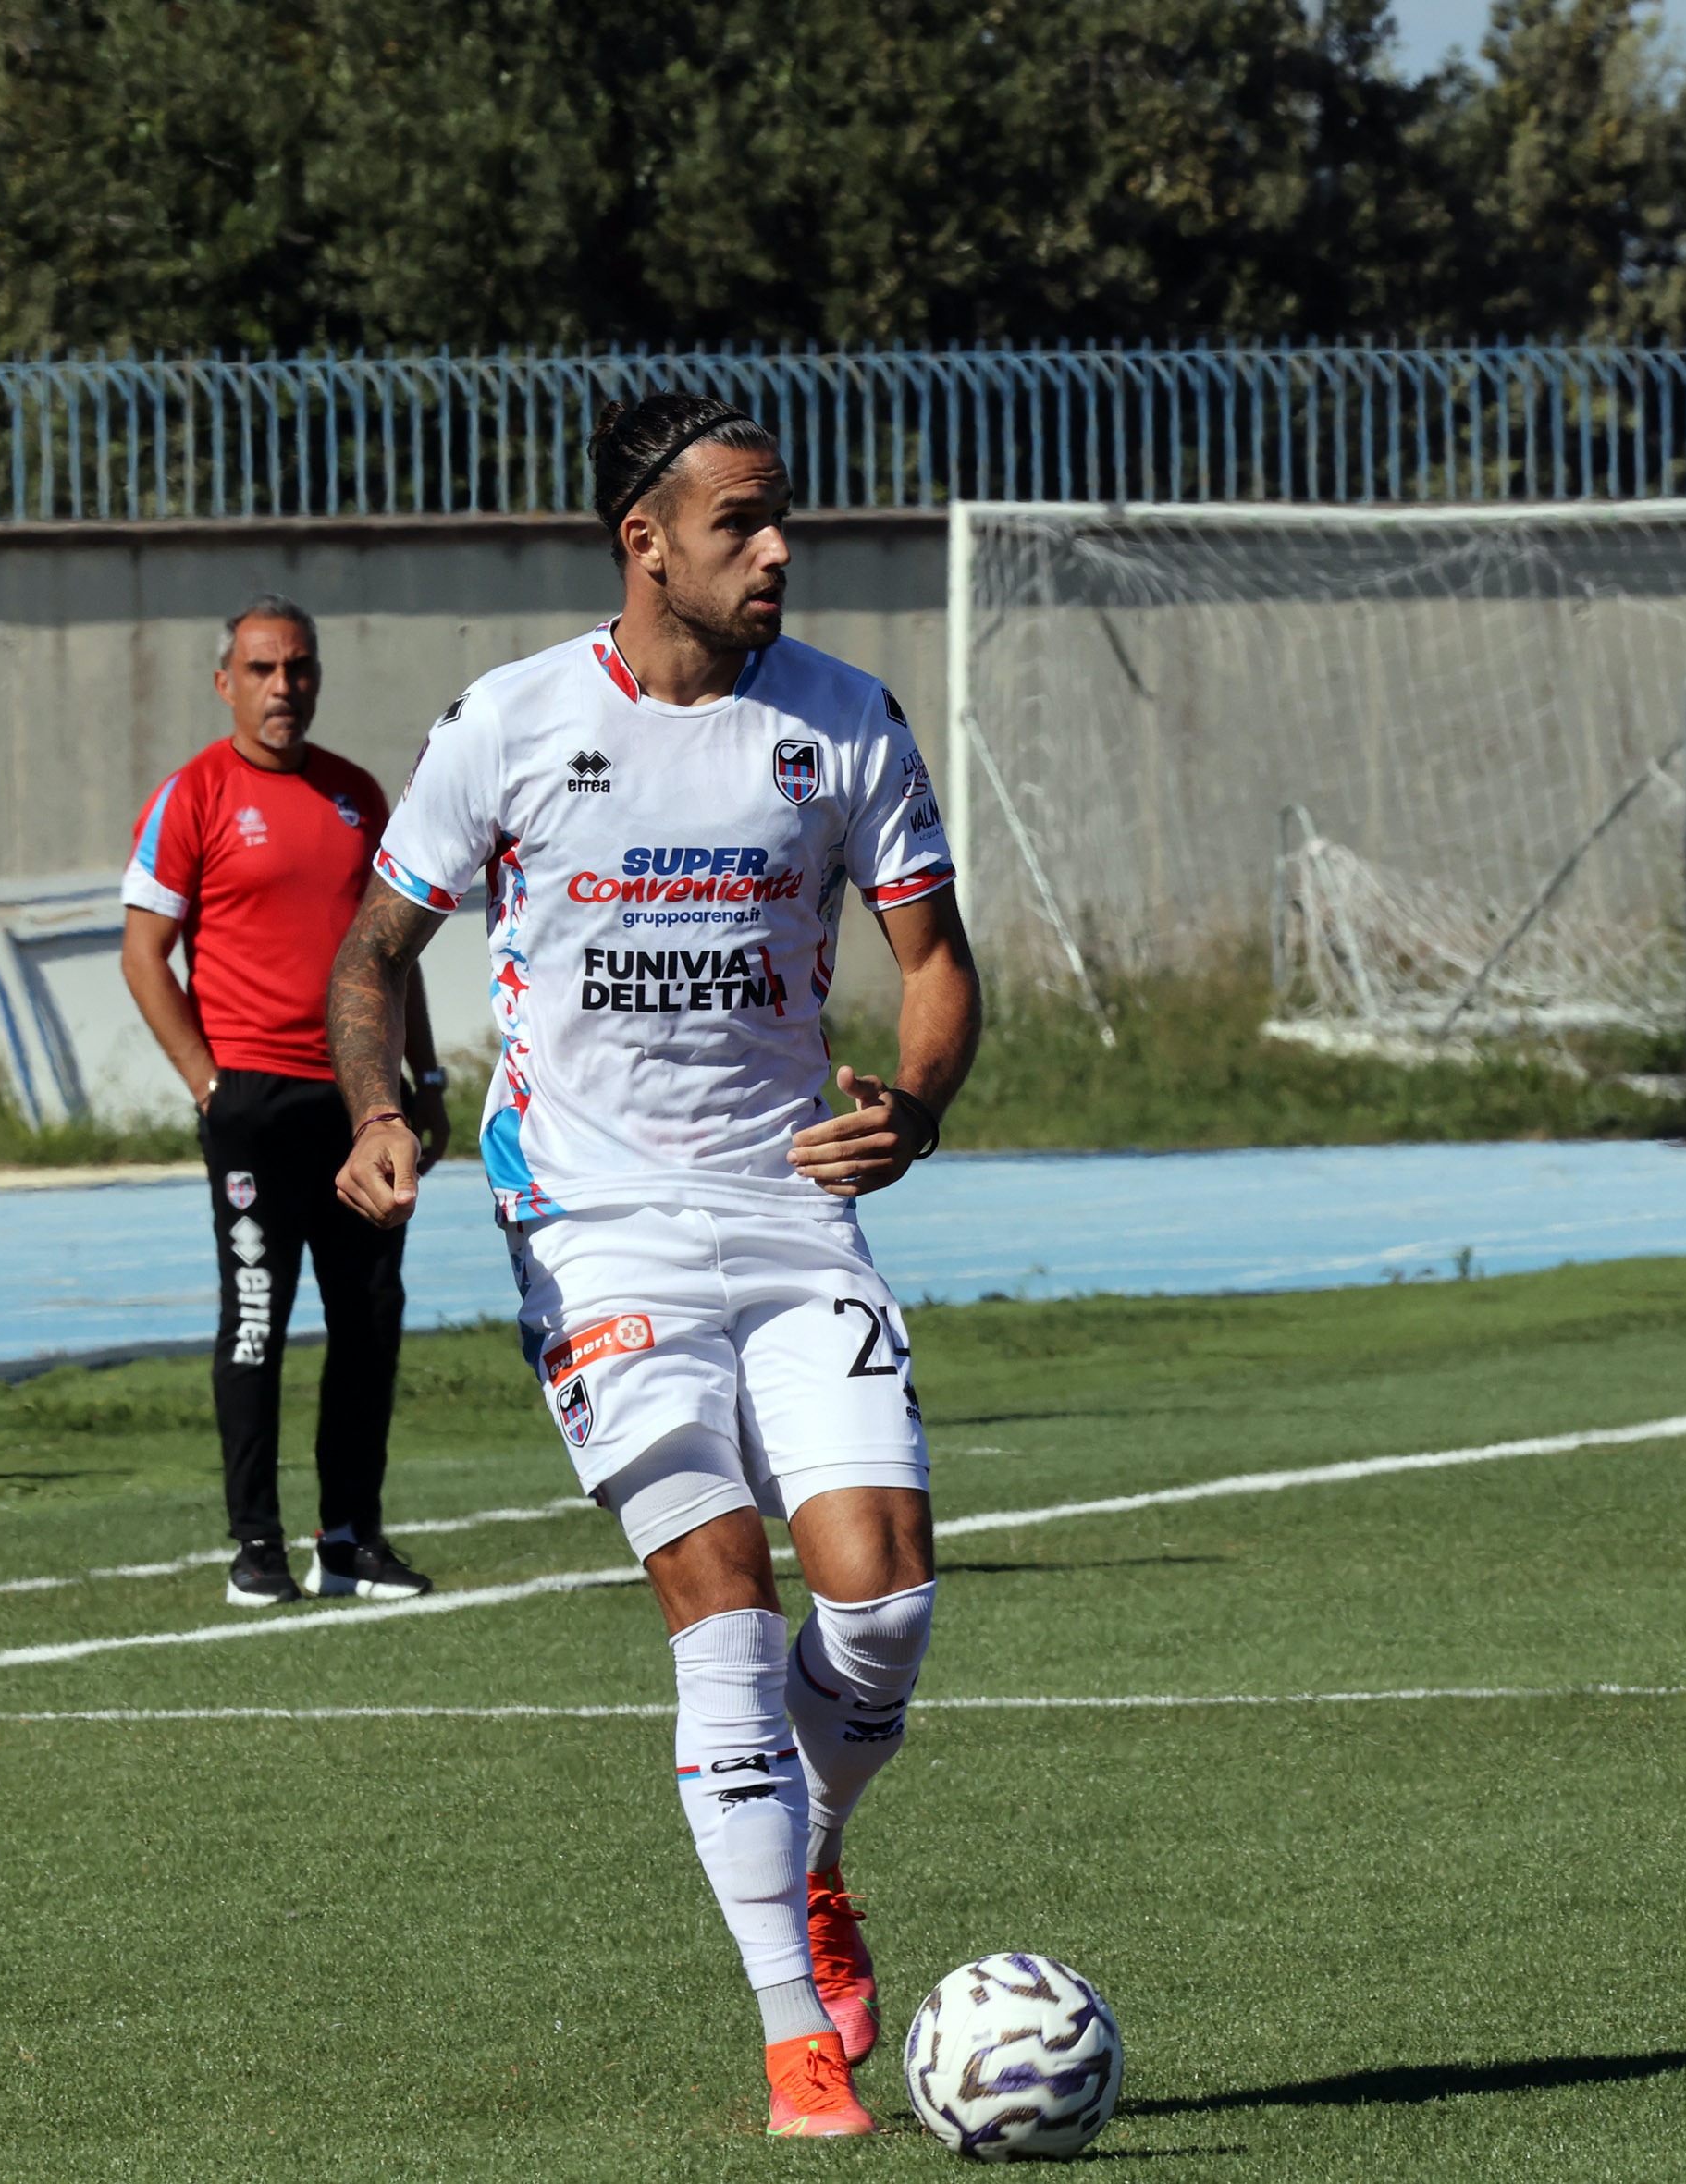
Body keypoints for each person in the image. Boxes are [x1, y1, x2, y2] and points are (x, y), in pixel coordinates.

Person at [324, 394, 980, 2137]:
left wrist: (911, 1112)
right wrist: (380, 1110)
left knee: (882, 1602)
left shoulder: (842, 720)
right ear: (646, 540)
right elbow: (371, 952)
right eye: (738, 523)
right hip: (591, 1220)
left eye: (782, 520)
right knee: (724, 1597)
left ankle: (807, 1852)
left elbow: (935, 964)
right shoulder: (509, 723)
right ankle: (791, 2037)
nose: (777, 551)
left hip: (787, 1204)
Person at [123, 595, 452, 1604]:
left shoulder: (357, 796)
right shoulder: (193, 795)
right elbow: (143, 954)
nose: (283, 687)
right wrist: (207, 1082)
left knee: (369, 1320)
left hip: (360, 1106)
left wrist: (425, 1078)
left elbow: (393, 956)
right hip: (253, 1105)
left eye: (298, 667)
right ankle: (255, 1546)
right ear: (225, 682)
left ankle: (349, 1542)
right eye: (262, 669)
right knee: (257, 1320)